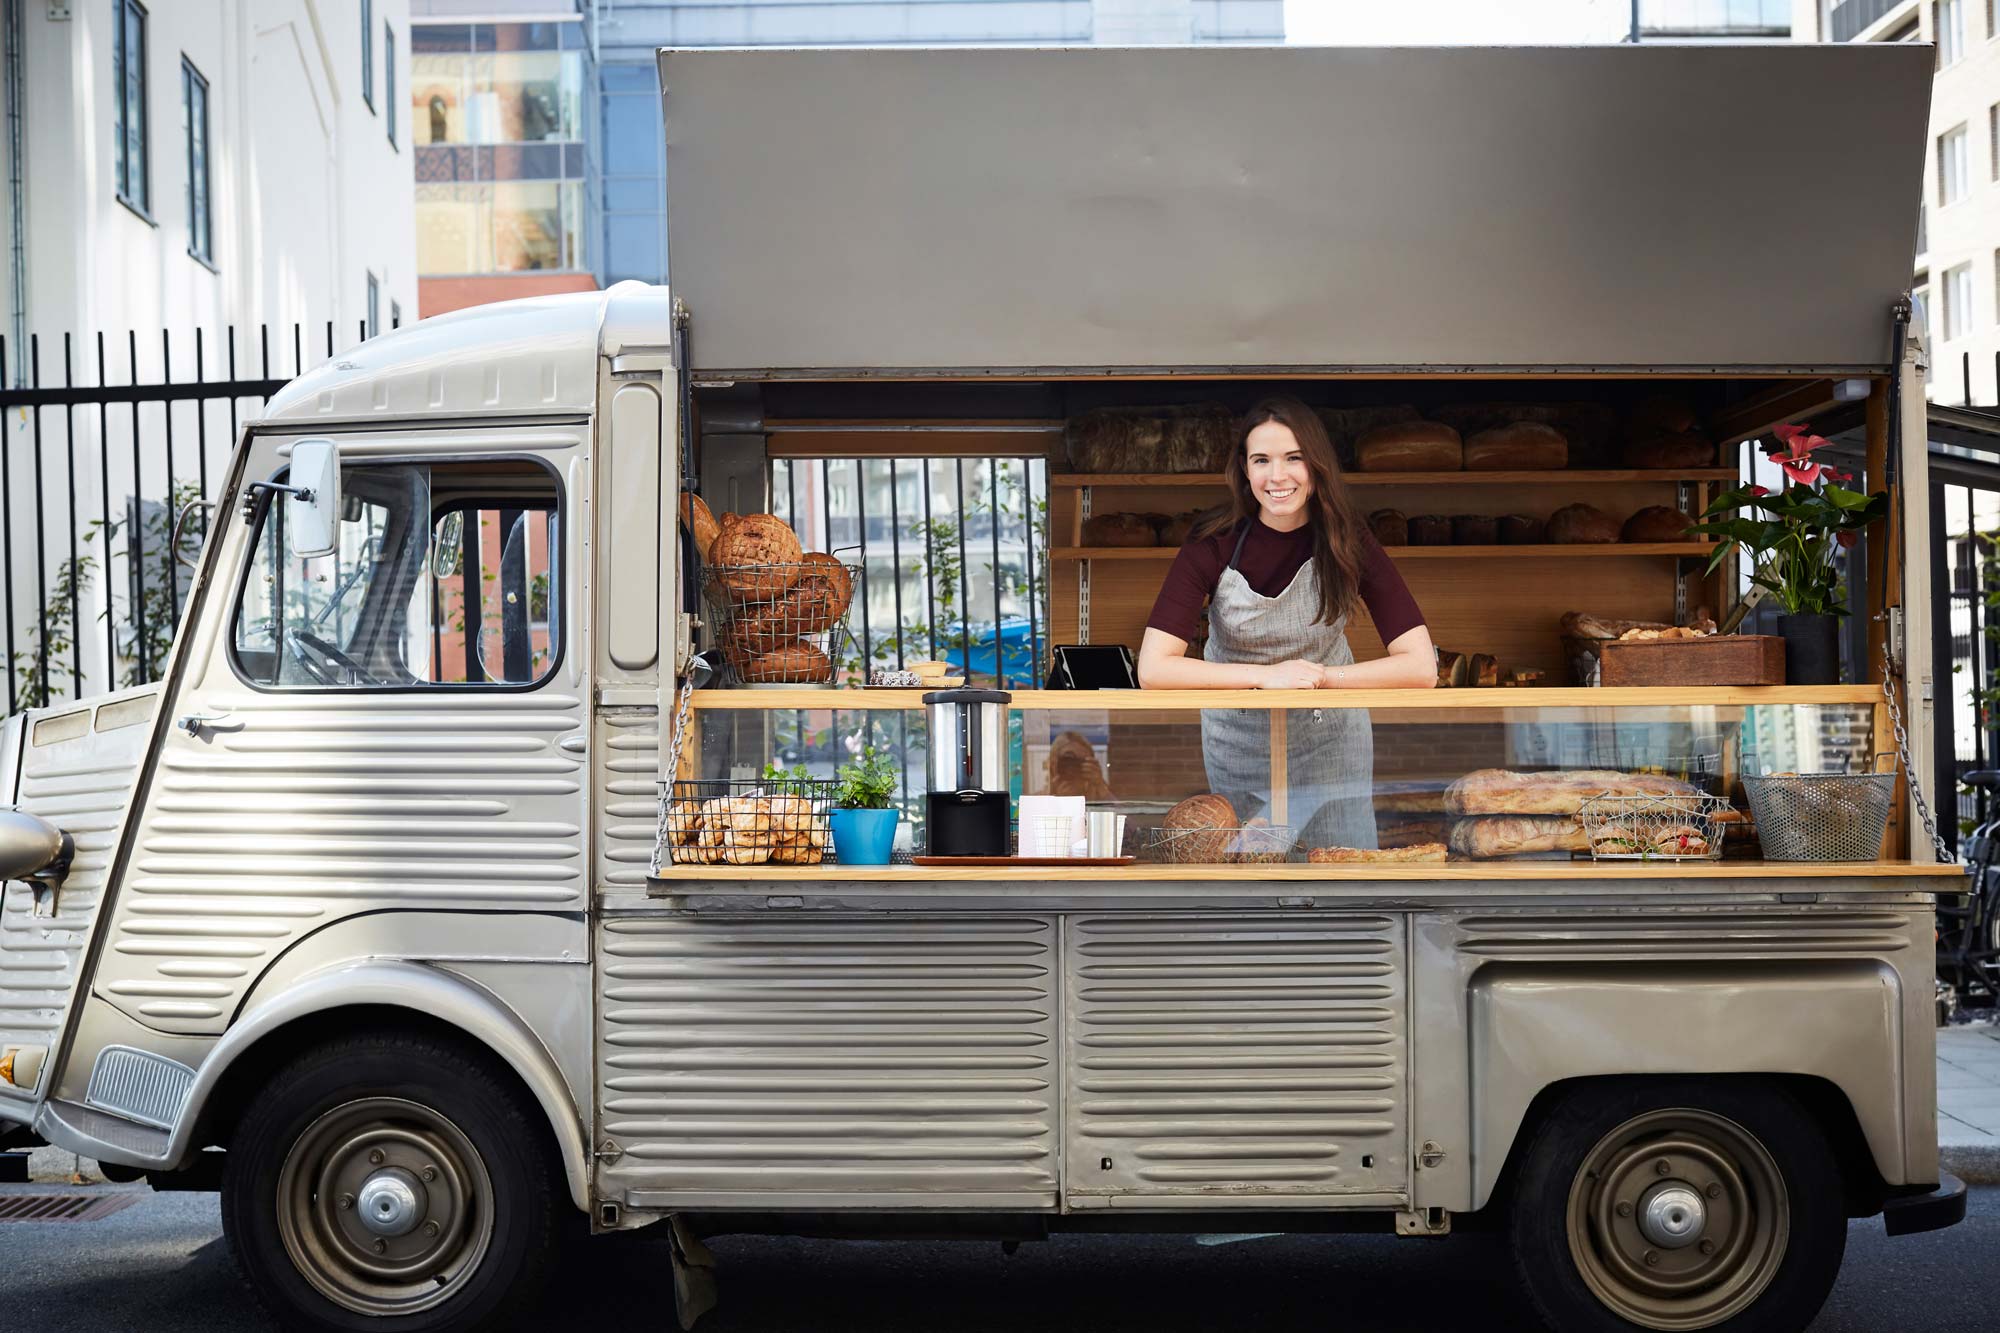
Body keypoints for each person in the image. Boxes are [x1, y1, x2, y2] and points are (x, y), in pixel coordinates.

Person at [1137, 396, 1435, 848]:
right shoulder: (1210, 542)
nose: (1277, 476)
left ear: (1316, 465)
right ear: (1244, 469)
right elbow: (1155, 669)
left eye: (1293, 458)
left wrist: (1318, 680)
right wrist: (1266, 678)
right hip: (1238, 742)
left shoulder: (1349, 540)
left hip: (1332, 742)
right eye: (1262, 460)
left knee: (1341, 881)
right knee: (1250, 888)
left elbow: (1420, 667)